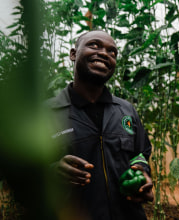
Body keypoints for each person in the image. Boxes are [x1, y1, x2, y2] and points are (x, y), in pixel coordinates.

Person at [46, 30, 154, 220]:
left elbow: (141, 153)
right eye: (94, 45)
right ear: (73, 54)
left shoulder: (126, 110)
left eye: (112, 52)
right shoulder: (47, 114)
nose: (105, 53)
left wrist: (141, 172)